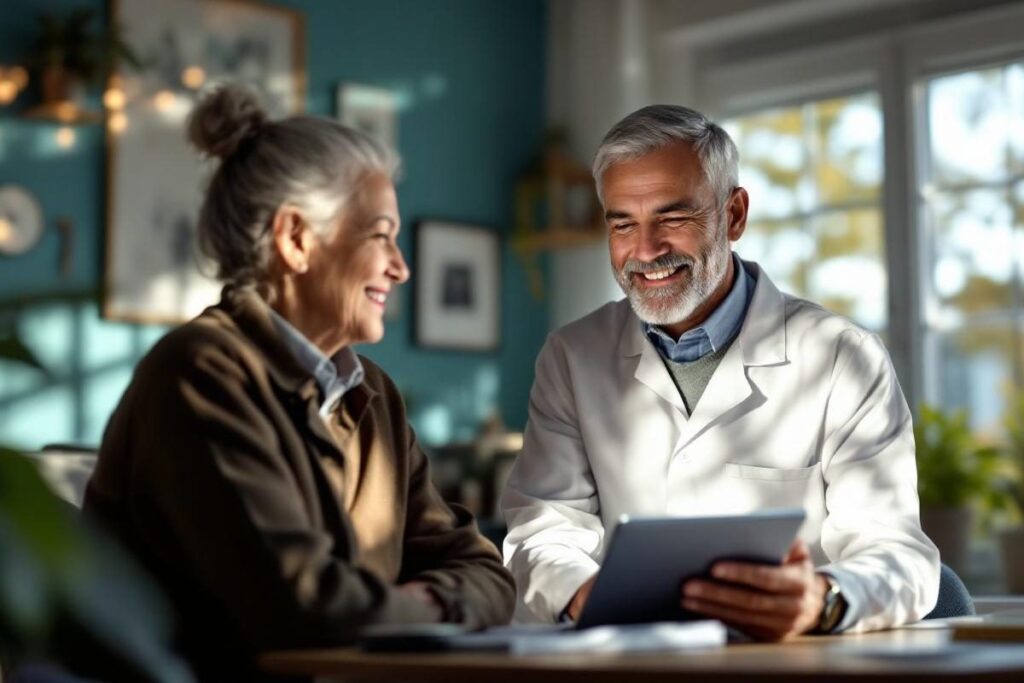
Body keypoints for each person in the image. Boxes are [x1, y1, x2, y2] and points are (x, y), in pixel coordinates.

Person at [84, 85, 514, 681]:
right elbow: (304, 609)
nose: (401, 266)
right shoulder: (200, 374)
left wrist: (422, 606)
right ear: (296, 239)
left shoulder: (374, 394)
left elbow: (485, 570)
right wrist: (432, 607)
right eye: (381, 235)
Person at [501, 104, 939, 639]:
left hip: (793, 665)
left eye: (673, 217)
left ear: (733, 215)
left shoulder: (842, 356)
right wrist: (581, 593)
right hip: (633, 664)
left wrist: (822, 601)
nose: (645, 250)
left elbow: (899, 553)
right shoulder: (571, 356)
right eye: (623, 224)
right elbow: (544, 524)